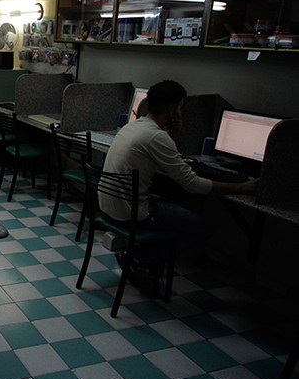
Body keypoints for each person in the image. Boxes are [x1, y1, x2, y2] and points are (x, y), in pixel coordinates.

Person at [100, 80, 259, 295]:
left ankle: (139, 255)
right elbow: (193, 184)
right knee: (202, 227)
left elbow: (164, 160)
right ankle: (140, 258)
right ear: (172, 109)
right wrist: (243, 187)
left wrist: (171, 136)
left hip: (110, 204)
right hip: (133, 212)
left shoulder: (135, 126)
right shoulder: (156, 136)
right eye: (181, 108)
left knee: (167, 202)